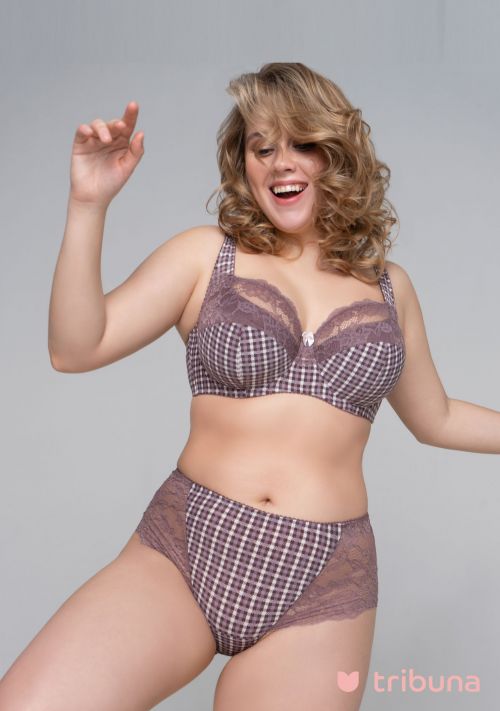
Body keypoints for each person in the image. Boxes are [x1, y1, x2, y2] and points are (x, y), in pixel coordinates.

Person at [1, 62, 499, 711]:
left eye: (301, 143)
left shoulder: (389, 288)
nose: (280, 162)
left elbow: (437, 417)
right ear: (244, 163)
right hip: (186, 550)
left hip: (325, 582)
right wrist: (88, 205)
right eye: (262, 147)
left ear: (337, 154)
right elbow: (75, 348)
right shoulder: (207, 255)